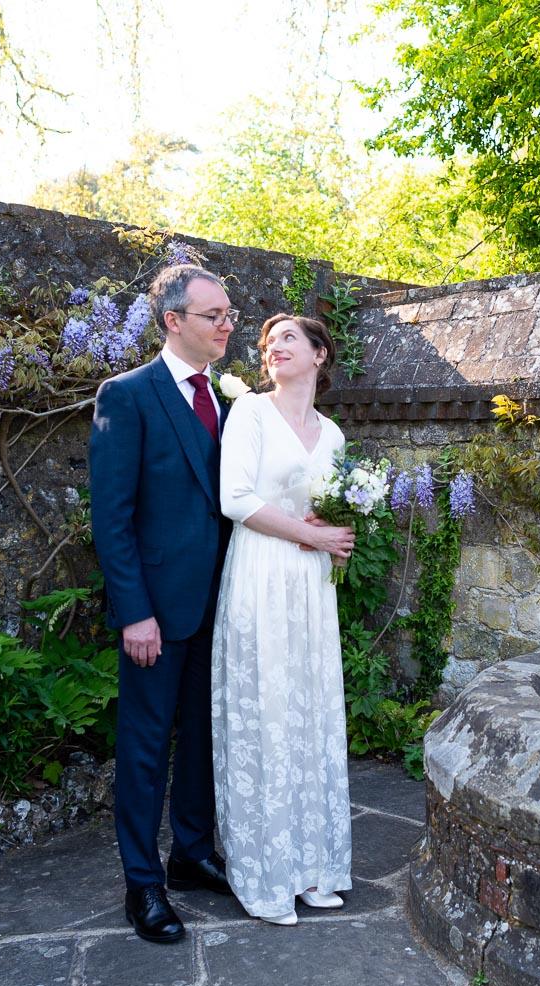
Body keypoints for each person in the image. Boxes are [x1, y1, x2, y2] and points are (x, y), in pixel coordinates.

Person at [88, 264, 239, 945]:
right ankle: (142, 883)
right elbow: (112, 518)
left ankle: (191, 851)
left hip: (221, 604)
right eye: (214, 315)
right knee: (146, 747)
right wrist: (134, 611)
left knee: (205, 735)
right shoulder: (127, 395)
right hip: (156, 609)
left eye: (229, 313)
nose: (227, 324)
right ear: (173, 320)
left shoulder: (232, 403)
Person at [211, 314, 357, 926]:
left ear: (320, 355)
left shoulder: (333, 434)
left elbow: (328, 506)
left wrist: (335, 531)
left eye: (289, 340)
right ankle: (265, 874)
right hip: (262, 575)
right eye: (268, 344)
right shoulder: (249, 413)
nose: (274, 350)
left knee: (308, 711)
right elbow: (235, 499)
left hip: (309, 585)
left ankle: (315, 868)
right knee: (267, 713)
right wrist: (309, 534)